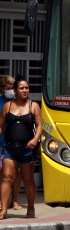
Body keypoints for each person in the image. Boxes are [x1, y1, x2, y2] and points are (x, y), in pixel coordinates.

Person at [0, 76, 41, 219]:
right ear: (15, 90)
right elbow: (1, 126)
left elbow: (40, 126)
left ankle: (30, 209)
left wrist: (35, 139)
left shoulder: (33, 106)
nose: (25, 90)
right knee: (6, 177)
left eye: (27, 88)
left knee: (28, 179)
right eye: (21, 88)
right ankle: (3, 210)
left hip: (27, 149)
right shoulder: (7, 106)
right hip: (9, 148)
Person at [0, 75, 22, 212]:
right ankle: (3, 201)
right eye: (8, 88)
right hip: (2, 143)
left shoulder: (20, 102)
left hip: (17, 143)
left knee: (17, 173)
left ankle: (15, 201)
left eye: (12, 88)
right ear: (1, 89)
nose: (11, 91)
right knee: (3, 173)